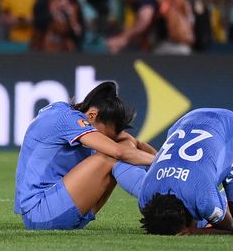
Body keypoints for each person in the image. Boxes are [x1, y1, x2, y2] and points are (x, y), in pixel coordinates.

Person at [112, 108, 233, 235]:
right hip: (187, 120)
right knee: (208, 212)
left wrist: (195, 232)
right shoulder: (146, 197)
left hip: (232, 131)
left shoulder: (203, 198)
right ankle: (222, 200)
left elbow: (232, 230)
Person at [15, 81, 156, 230]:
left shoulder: (82, 120)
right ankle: (160, 204)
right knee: (110, 156)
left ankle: (164, 202)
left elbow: (134, 143)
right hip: (39, 212)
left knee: (124, 144)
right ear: (92, 114)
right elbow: (118, 152)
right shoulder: (64, 117)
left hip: (68, 210)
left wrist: (163, 159)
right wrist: (164, 163)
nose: (103, 139)